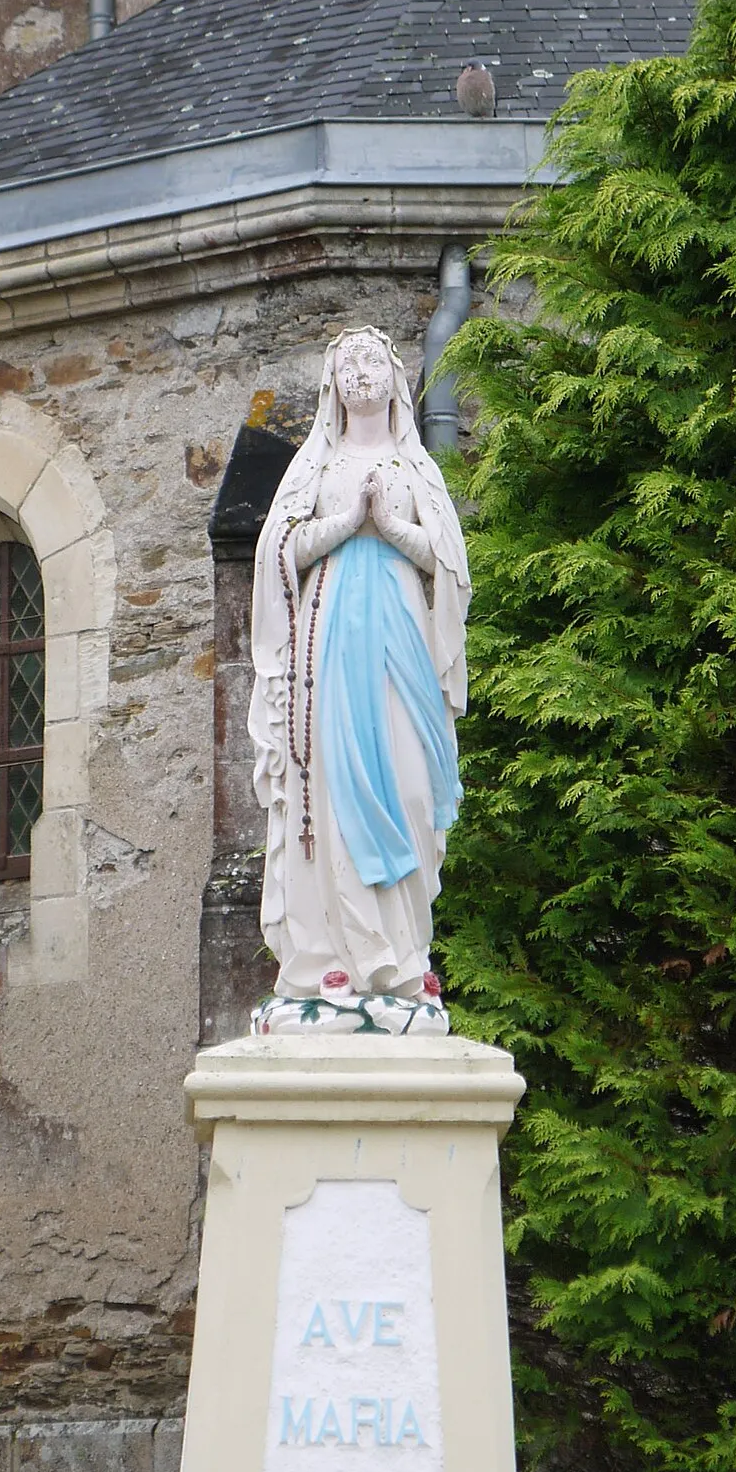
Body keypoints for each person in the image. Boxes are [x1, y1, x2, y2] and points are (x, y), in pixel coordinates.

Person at [248, 327, 470, 1029]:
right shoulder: (316, 467)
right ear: (332, 384)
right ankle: (333, 957)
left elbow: (448, 566)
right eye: (350, 364)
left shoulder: (416, 470)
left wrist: (394, 529)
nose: (363, 373)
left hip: (402, 640)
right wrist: (349, 521)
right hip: (332, 643)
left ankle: (402, 957)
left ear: (397, 379)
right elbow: (279, 555)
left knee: (409, 783)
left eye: (375, 360)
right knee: (335, 794)